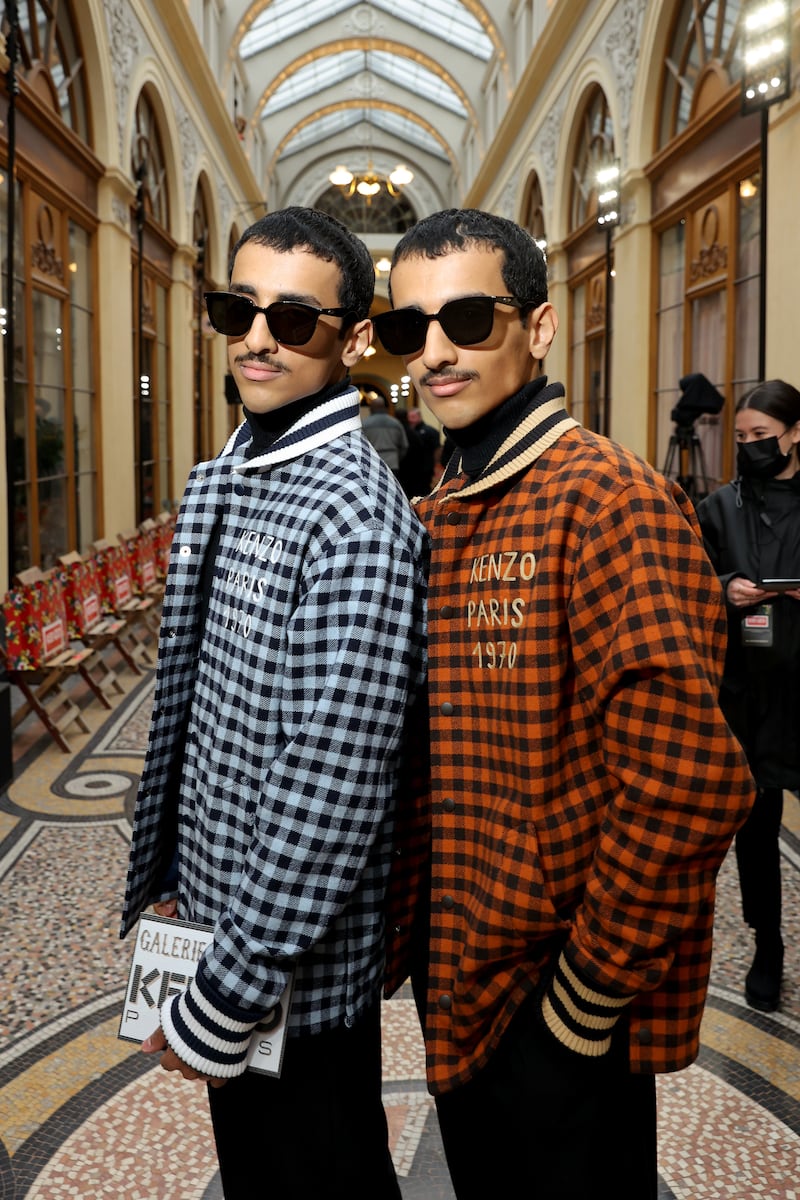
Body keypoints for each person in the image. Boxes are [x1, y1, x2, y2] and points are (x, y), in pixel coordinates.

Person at [373, 208, 754, 1200]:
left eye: (469, 319)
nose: (438, 353)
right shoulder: (444, 504)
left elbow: (688, 788)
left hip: (555, 1009)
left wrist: (571, 1015)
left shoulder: (605, 501)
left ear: (538, 327)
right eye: (413, 329)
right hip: (461, 980)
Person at [120, 207, 427, 1199]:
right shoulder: (247, 467)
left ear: (353, 337)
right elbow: (202, 714)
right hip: (224, 920)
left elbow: (328, 786)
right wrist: (170, 876)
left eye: (293, 319)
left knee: (317, 1170)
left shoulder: (349, 508)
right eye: (237, 308)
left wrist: (230, 986)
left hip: (291, 970)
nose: (257, 336)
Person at [697, 379, 800, 1013]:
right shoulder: (719, 507)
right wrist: (727, 585)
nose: (751, 447)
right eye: (741, 438)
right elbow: (695, 574)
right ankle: (769, 944)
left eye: (762, 437)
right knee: (756, 828)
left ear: (795, 435)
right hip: (745, 692)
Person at [397, 406, 441, 498]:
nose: (410, 420)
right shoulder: (407, 431)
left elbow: (437, 449)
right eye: (409, 417)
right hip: (411, 469)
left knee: (423, 493)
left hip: (425, 468)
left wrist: (436, 464)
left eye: (413, 417)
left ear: (419, 416)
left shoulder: (430, 431)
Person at [361, 395, 408, 473]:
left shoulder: (364, 424)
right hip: (392, 463)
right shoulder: (396, 423)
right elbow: (404, 446)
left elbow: (361, 446)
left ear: (371, 408)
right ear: (384, 407)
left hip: (373, 463)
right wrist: (396, 457)